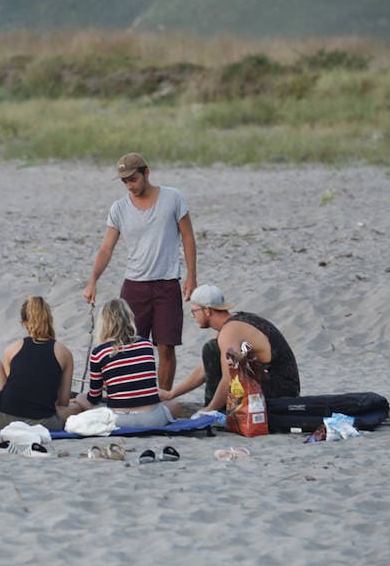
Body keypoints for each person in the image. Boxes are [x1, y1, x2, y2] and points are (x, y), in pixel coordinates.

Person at [83, 152, 197, 392]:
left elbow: (188, 238)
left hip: (167, 283)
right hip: (134, 285)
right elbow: (106, 248)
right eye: (124, 181)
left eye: (133, 179)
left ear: (146, 173)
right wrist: (93, 280)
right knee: (127, 344)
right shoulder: (119, 208)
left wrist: (191, 277)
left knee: (166, 346)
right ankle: (132, 393)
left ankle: (163, 396)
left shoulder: (173, 198)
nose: (129, 186)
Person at [162, 284, 300, 413]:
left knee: (210, 349)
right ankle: (216, 407)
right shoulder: (233, 324)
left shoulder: (230, 331)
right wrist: (171, 394)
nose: (193, 316)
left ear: (207, 310)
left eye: (194, 311)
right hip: (281, 383)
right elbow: (206, 367)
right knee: (213, 351)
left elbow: (229, 377)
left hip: (282, 390)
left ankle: (218, 409)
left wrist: (210, 410)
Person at [0, 296, 79, 431]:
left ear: (25, 323)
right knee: (76, 407)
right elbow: (63, 402)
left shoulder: (12, 349)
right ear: (49, 320)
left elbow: (14, 388)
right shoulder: (64, 353)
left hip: (3, 419)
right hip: (44, 423)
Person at [72, 298, 177, 427]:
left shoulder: (99, 353)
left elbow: (94, 397)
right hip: (152, 419)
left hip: (118, 421)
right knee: (173, 404)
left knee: (80, 398)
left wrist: (109, 387)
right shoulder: (146, 345)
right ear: (129, 319)